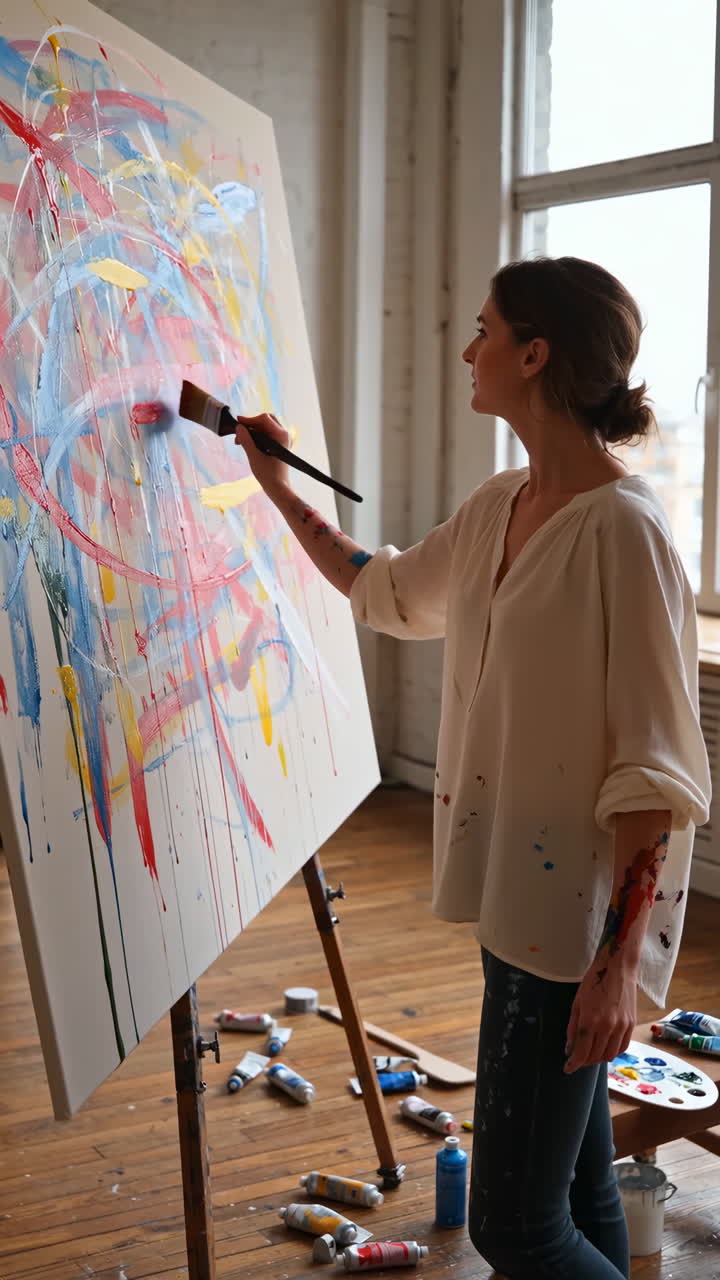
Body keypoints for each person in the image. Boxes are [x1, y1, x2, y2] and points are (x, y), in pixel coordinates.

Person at [235, 255, 712, 1279]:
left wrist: (618, 964)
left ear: (534, 355)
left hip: (573, 932)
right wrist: (276, 486)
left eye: (485, 330)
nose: (466, 348)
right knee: (580, 1194)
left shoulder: (626, 536)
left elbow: (656, 771)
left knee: (513, 1225)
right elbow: (389, 587)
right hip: (514, 897)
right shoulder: (504, 501)